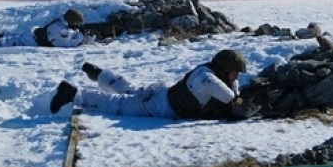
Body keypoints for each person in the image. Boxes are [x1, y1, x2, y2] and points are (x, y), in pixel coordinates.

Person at [49, 49, 259, 120]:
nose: (235, 77)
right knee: (117, 105)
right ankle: (74, 94)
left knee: (133, 91)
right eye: (233, 73)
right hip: (160, 107)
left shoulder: (207, 70)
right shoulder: (209, 80)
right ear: (224, 70)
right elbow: (231, 99)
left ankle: (102, 75)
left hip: (162, 93)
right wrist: (241, 103)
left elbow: (233, 90)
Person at [0, 9, 93, 52]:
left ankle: (4, 35)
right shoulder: (57, 29)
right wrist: (81, 37)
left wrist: (87, 37)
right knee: (2, 42)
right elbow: (63, 43)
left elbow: (70, 36)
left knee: (6, 38)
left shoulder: (61, 25)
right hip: (30, 40)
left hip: (33, 35)